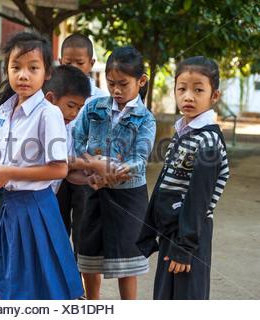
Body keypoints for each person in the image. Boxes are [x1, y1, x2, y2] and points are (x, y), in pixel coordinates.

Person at [0, 32, 83, 300]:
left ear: (46, 73)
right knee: (12, 282)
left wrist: (9, 173)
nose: (23, 75)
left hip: (38, 207)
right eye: (16, 68)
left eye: (33, 68)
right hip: (9, 207)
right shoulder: (3, 111)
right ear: (7, 70)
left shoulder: (49, 113)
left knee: (44, 285)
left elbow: (59, 168)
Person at [137, 56, 230, 299]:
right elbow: (164, 184)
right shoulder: (182, 133)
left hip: (191, 233)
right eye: (182, 89)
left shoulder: (207, 141)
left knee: (188, 299)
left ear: (214, 96)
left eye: (198, 90)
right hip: (172, 230)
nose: (188, 96)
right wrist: (150, 230)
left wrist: (185, 246)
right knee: (165, 296)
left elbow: (199, 198)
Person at [73, 46, 156, 300]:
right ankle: (93, 304)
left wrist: (112, 172)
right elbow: (77, 142)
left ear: (141, 81)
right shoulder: (93, 108)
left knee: (126, 262)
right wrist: (91, 167)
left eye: (123, 84)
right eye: (111, 84)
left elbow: (140, 160)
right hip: (93, 190)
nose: (116, 90)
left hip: (128, 197)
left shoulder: (146, 119)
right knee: (89, 255)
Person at [56, 33, 109, 257]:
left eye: (80, 63)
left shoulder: (100, 98)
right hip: (55, 171)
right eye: (68, 63)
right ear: (60, 62)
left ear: (91, 64)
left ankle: (78, 287)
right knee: (56, 230)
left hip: (84, 172)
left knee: (82, 231)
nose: (75, 67)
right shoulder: (54, 93)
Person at [43, 65, 130, 194]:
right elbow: (57, 161)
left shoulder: (66, 127)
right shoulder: (38, 124)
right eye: (70, 106)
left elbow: (67, 172)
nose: (74, 114)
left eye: (79, 108)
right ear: (50, 99)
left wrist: (88, 179)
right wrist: (91, 163)